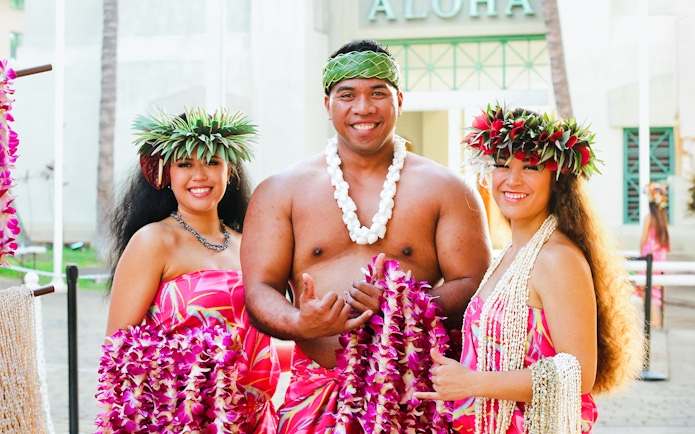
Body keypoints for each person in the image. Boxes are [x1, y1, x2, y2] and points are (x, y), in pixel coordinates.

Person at [241, 39, 492, 433]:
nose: (363, 108)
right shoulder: (281, 191)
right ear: (327, 105)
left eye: (378, 93)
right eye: (347, 94)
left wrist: (402, 304)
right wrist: (299, 322)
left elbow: (475, 285)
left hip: (415, 393)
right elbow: (258, 290)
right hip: (315, 393)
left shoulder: (447, 189)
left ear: (399, 101)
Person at [414, 105, 645, 433]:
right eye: (503, 165)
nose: (513, 179)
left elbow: (578, 372)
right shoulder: (511, 253)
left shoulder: (556, 258)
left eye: (531, 167)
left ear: (557, 178)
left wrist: (472, 383)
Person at [95, 107, 280, 433]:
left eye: (212, 162)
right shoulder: (154, 241)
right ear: (166, 173)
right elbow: (118, 351)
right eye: (185, 164)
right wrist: (202, 368)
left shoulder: (248, 246)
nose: (200, 175)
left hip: (251, 420)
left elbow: (262, 344)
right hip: (179, 419)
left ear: (229, 171)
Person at [639, 181, 670, 326]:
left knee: (645, 287)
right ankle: (658, 318)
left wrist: (641, 253)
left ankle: (652, 318)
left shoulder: (649, 218)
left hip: (649, 257)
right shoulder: (663, 218)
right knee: (658, 287)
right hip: (661, 257)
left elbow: (644, 238)